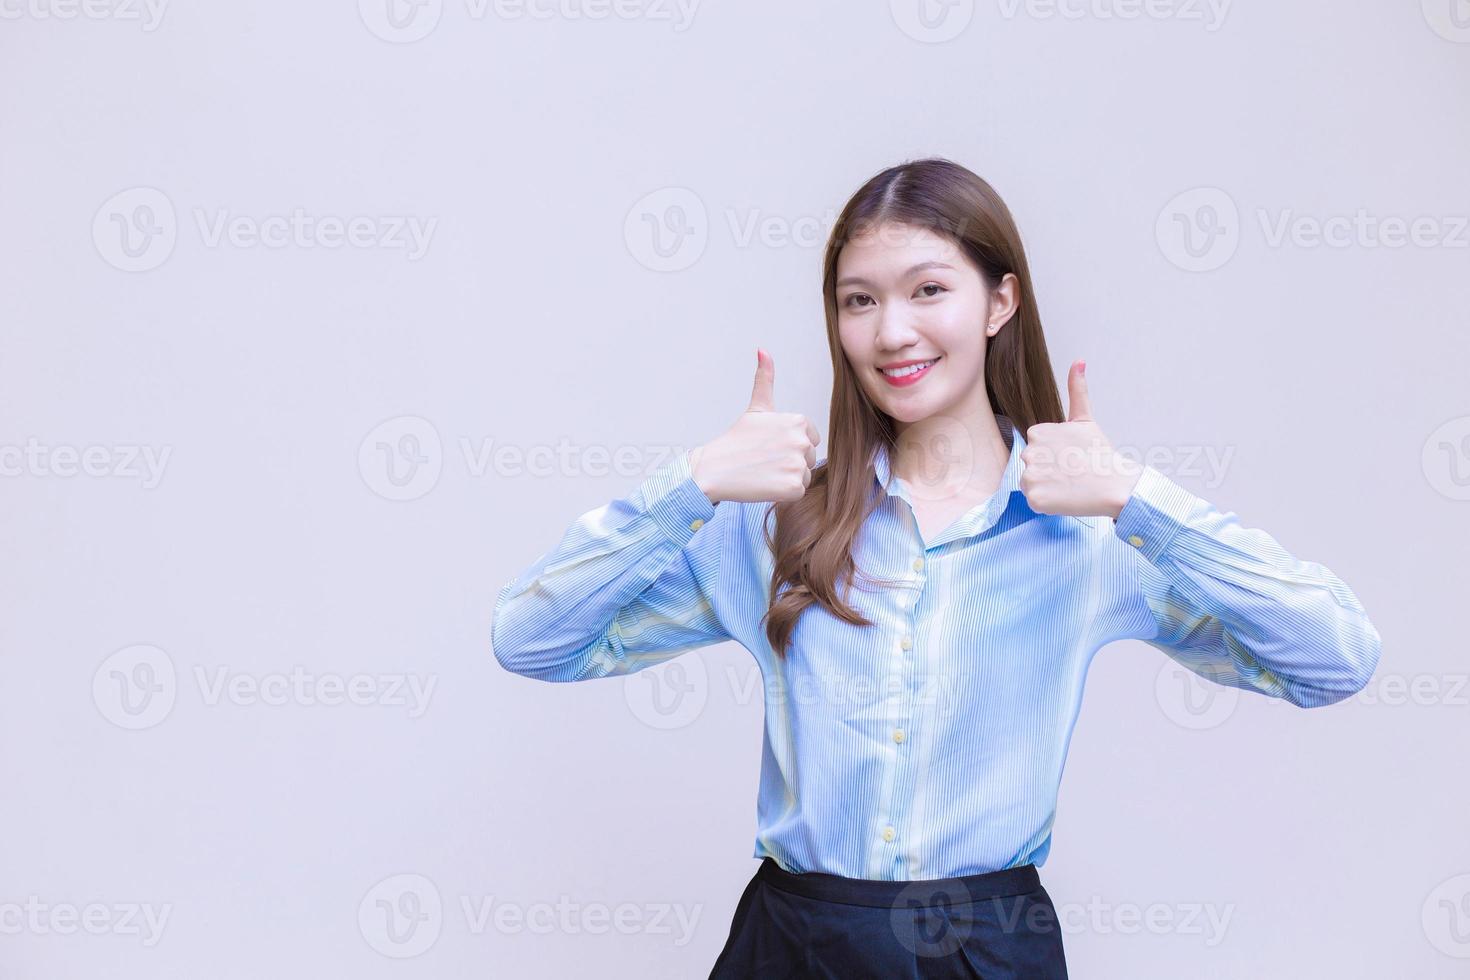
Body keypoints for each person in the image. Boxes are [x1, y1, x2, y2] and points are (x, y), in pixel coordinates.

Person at [490, 157, 1382, 978]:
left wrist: (1136, 497)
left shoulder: (1090, 537)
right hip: (792, 944)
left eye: (928, 290)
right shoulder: (774, 525)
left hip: (987, 947)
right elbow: (531, 641)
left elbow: (1334, 658)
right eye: (859, 301)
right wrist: (691, 484)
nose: (893, 332)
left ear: (1000, 303)